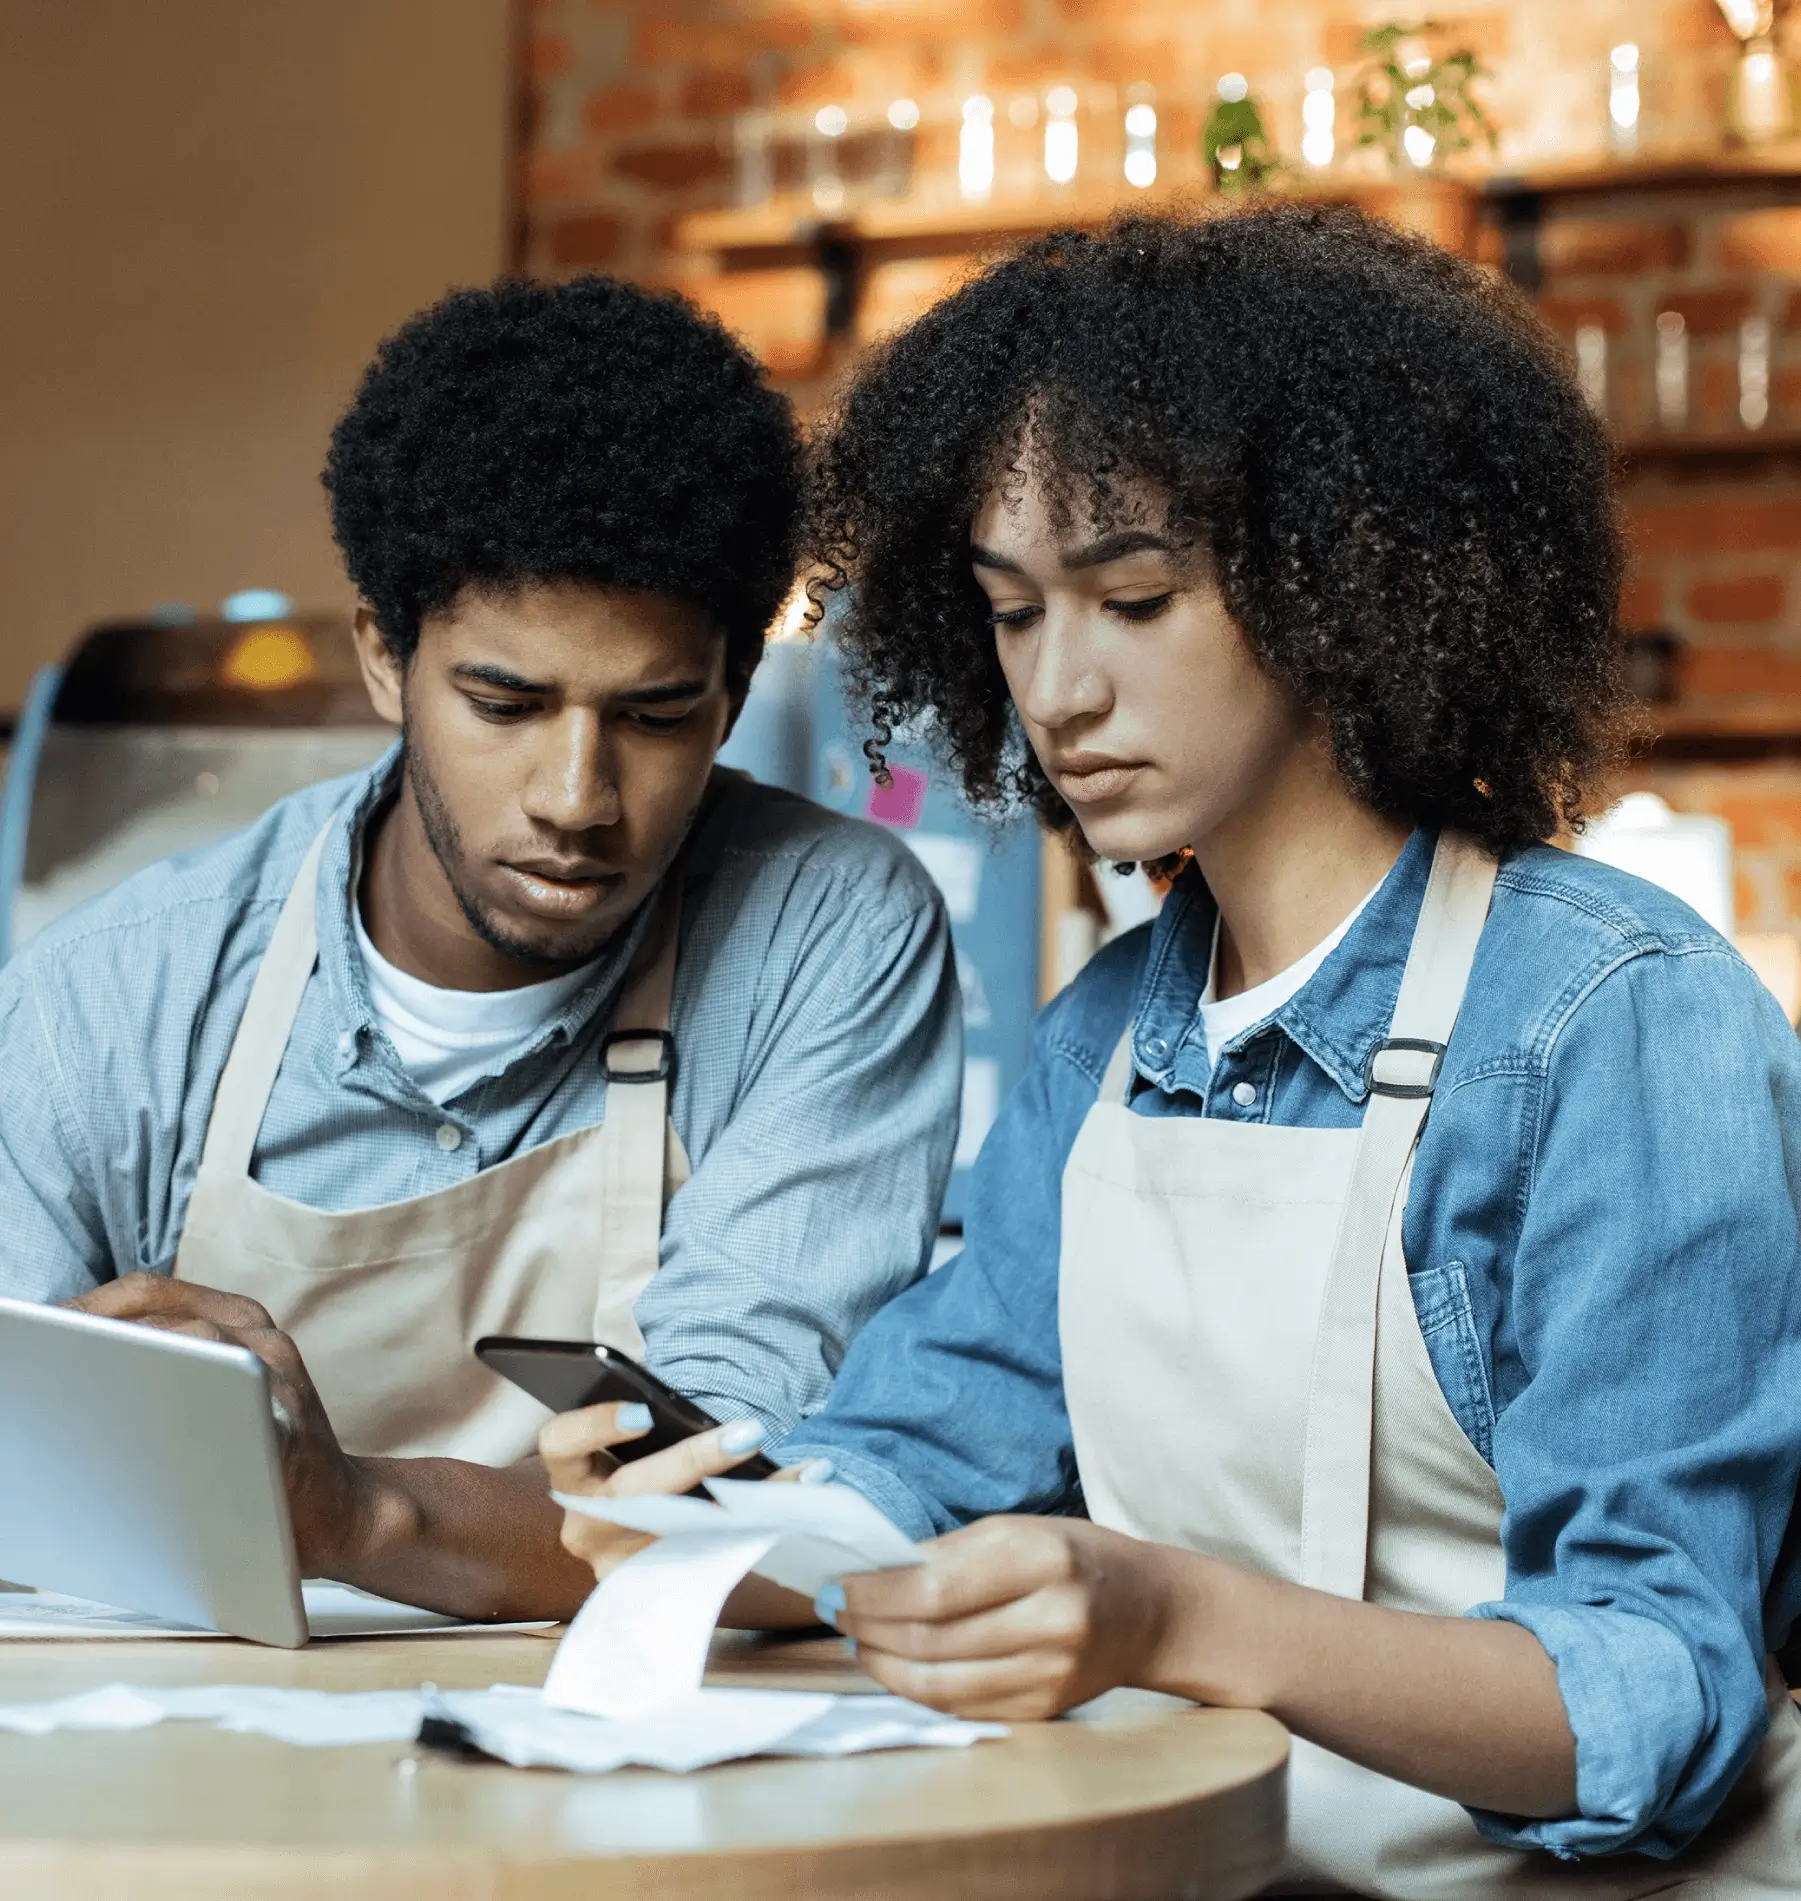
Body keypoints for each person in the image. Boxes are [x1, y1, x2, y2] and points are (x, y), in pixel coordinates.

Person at [544, 209, 1801, 1894]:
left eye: (1133, 598)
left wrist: (1175, 1619)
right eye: (1010, 614)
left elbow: (1655, 1692)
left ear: (1342, 578)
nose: (1059, 691)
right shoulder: (1107, 1045)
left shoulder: (1614, 1021)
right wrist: (710, 1528)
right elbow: (922, 1456)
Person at [0, 277, 960, 1620]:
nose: (578, 797)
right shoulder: (114, 996)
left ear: (735, 692)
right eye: (505, 705)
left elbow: (731, 1500)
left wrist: (355, 1512)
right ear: (384, 660)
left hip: (637, 1728)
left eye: (656, 716)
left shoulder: (823, 936)